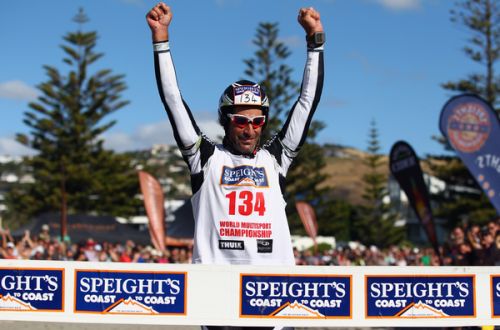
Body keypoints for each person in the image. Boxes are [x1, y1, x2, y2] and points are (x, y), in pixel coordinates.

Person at [146, 3, 324, 266]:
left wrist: (315, 41)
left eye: (257, 121)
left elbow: (307, 102)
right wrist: (160, 38)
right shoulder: (204, 157)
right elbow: (173, 100)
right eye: (240, 121)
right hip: (214, 291)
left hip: (270, 289)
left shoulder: (276, 159)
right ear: (225, 121)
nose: (250, 129)